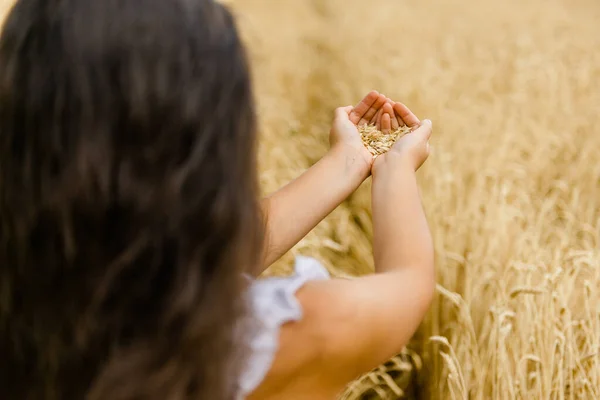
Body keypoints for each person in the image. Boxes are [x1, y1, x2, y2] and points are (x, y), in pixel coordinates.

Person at [0, 0, 435, 399]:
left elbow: (207, 258)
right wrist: (394, 167)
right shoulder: (264, 341)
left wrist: (346, 163)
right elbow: (409, 286)